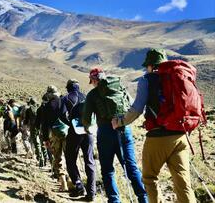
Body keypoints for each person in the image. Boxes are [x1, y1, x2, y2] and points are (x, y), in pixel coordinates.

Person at [112, 49, 197, 203]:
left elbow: (137, 109)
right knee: (183, 182)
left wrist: (120, 121)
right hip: (181, 135)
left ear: (151, 65)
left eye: (147, 66)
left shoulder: (147, 80)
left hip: (159, 137)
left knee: (150, 178)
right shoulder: (177, 76)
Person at [82, 68, 147, 203]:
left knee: (107, 169)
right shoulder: (119, 87)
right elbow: (130, 104)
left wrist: (87, 129)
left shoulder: (92, 95)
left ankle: (114, 200)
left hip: (105, 132)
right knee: (130, 166)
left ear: (94, 80)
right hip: (124, 128)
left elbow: (86, 119)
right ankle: (143, 197)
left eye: (92, 81)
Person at [63, 79, 96, 200]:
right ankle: (92, 192)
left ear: (68, 87)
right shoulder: (86, 96)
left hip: (74, 132)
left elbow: (62, 115)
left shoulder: (66, 98)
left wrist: (71, 123)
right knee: (90, 160)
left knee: (70, 159)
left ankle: (79, 186)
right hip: (88, 131)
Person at [40, 85, 69, 191]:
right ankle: (71, 181)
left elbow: (44, 125)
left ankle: (63, 183)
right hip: (67, 132)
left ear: (49, 94)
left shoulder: (47, 106)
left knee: (58, 157)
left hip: (54, 134)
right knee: (69, 157)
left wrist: (45, 140)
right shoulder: (64, 101)